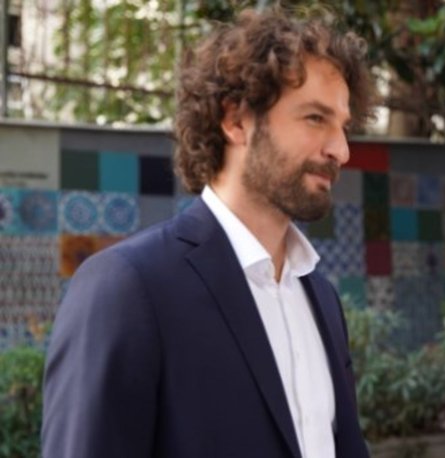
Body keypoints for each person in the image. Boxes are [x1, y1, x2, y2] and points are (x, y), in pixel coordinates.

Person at [42, 6, 375, 458]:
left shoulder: (321, 298)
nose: (341, 150)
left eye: (344, 126)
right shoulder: (128, 288)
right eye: (316, 118)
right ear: (235, 120)